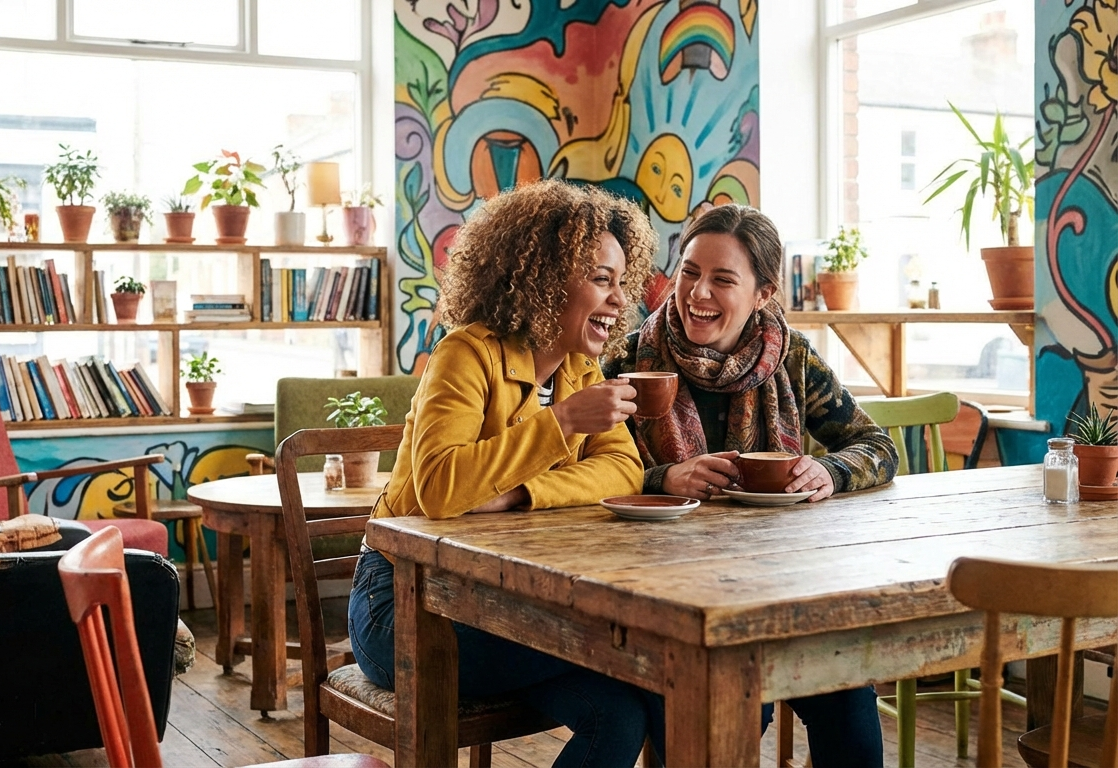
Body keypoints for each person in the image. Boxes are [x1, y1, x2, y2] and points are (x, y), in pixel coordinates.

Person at [348, 179, 659, 768]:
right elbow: (441, 489)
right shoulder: (466, 353)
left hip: (500, 600)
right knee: (637, 656)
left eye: (622, 281)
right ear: (545, 275)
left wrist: (520, 493)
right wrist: (562, 423)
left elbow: (623, 470)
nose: (619, 300)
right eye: (600, 278)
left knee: (619, 712)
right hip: (402, 605)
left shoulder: (582, 368)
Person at [603, 203, 898, 766]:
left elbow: (876, 446)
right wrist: (665, 479)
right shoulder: (627, 358)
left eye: (722, 279)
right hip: (659, 599)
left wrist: (829, 471)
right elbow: (581, 471)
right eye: (689, 272)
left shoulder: (790, 359)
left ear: (763, 293)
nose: (698, 294)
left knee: (852, 711)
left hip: (776, 589)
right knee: (722, 716)